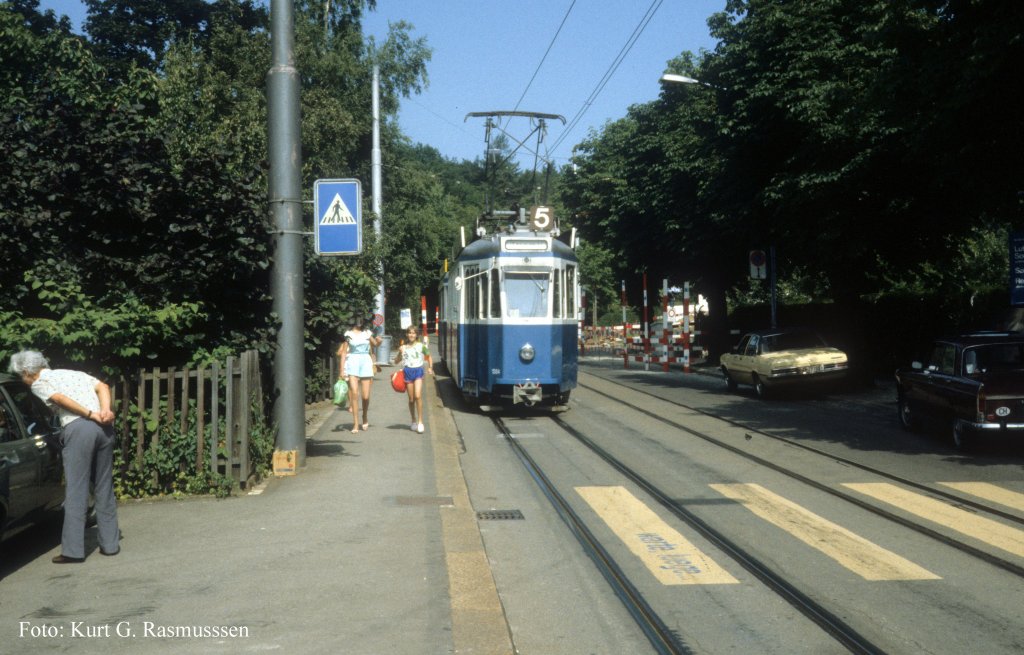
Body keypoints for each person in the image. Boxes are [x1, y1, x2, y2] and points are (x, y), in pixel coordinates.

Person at [8, 350, 120, 563]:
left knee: (76, 489)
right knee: (104, 486)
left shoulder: (38, 382)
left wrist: (90, 414)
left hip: (79, 429)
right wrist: (105, 410)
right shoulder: (71, 373)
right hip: (104, 430)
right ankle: (110, 545)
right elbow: (103, 387)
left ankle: (73, 551)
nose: (23, 380)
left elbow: (59, 399)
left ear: (26, 371)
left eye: (21, 375)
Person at [337, 318, 382, 433]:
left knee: (365, 396)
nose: (359, 321)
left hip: (365, 362)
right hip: (353, 362)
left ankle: (365, 416)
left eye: (361, 319)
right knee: (355, 393)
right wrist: (342, 370)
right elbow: (343, 352)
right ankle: (356, 423)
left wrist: (379, 341)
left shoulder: (367, 332)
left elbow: (375, 344)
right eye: (357, 319)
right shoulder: (348, 334)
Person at [394, 326, 433, 433]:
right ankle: (413, 420)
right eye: (409, 333)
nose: (411, 335)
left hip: (418, 372)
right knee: (411, 399)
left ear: (416, 335)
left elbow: (429, 356)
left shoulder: (421, 346)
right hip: (407, 372)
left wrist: (430, 367)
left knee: (418, 396)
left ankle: (420, 422)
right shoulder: (404, 347)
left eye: (413, 333)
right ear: (407, 334)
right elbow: (396, 362)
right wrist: (399, 352)